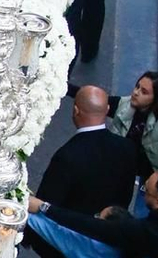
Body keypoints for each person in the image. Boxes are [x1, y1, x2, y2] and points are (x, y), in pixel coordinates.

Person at [34, 89, 138, 219]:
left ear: (76, 111)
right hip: (110, 229)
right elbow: (125, 196)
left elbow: (43, 206)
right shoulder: (127, 147)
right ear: (107, 110)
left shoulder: (67, 156)